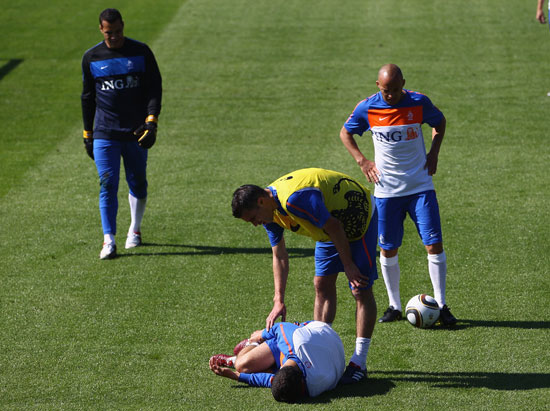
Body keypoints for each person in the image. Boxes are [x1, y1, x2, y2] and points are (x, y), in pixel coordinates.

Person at [231, 167, 378, 383]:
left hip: (357, 220)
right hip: (329, 228)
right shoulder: (270, 213)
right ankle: (320, 349)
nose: (255, 224)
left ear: (261, 201)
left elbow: (335, 227)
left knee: (359, 288)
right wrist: (278, 300)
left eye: (253, 218)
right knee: (321, 284)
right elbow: (280, 255)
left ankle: (359, 363)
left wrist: (348, 265)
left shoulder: (294, 199)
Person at [339, 64, 457, 326]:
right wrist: (362, 161)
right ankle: (394, 306)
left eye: (395, 89)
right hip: (386, 191)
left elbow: (439, 122)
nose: (390, 95)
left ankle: (442, 305)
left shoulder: (419, 102)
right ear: (377, 86)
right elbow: (345, 132)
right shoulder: (367, 108)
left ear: (403, 83)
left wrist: (434, 152)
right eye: (386, 91)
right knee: (388, 248)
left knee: (434, 244)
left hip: (420, 187)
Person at [81, 8, 162, 259]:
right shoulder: (91, 57)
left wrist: (151, 122)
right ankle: (109, 240)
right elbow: (87, 97)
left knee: (138, 182)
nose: (114, 37)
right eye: (109, 33)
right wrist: (87, 133)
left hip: (135, 131)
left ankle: (134, 229)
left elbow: (154, 88)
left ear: (123, 26)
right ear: (101, 29)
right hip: (105, 132)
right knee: (107, 183)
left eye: (117, 31)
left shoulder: (141, 52)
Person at [209, 320, 345, 402]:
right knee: (243, 364)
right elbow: (279, 327)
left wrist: (237, 376)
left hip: (329, 350)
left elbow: (273, 380)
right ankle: (255, 344)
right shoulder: (296, 341)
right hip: (314, 331)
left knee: (241, 366)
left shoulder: (308, 388)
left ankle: (244, 352)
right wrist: (260, 335)